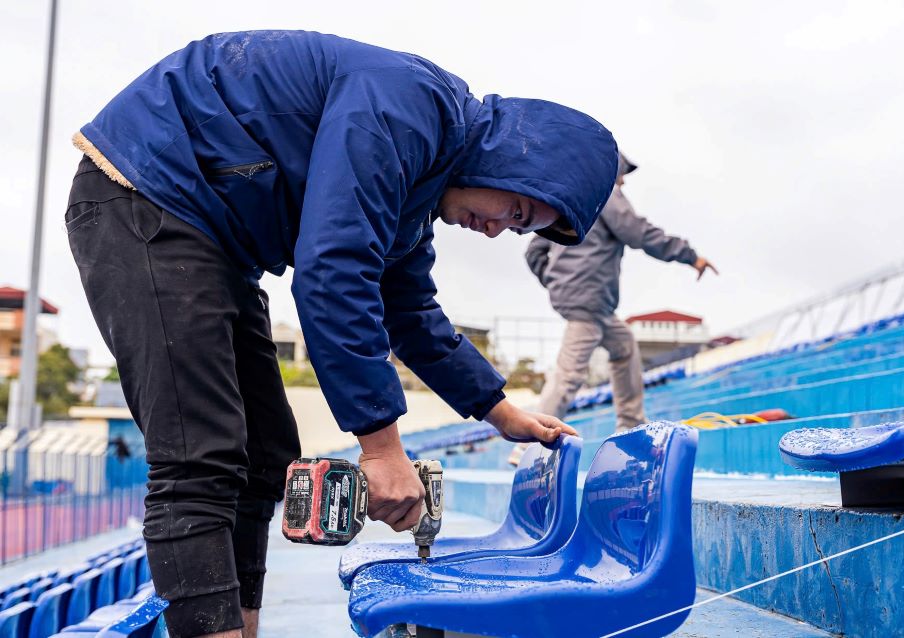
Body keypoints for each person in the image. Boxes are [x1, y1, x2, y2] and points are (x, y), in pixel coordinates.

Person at [65, 30, 617, 638]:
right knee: (201, 453)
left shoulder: (418, 186)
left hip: (210, 239)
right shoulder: (409, 106)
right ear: (518, 159)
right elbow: (332, 272)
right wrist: (381, 449)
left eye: (517, 231)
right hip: (145, 196)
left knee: (262, 454)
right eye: (516, 211)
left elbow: (407, 309)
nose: (495, 231)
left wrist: (498, 410)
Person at [517, 153, 715, 460]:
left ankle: (631, 422)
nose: (623, 182)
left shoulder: (567, 198)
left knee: (624, 346)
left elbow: (535, 250)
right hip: (590, 297)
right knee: (569, 374)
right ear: (613, 172)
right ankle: (529, 444)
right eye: (622, 176)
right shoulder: (605, 193)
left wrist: (557, 281)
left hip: (586, 299)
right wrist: (690, 256)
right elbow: (638, 232)